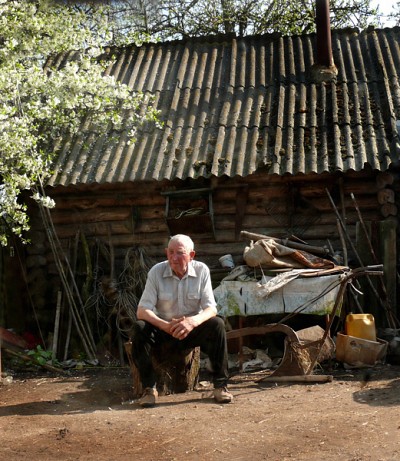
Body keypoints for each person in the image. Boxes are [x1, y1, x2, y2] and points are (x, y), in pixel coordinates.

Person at [131, 234, 233, 407]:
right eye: (170, 252)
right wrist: (165, 326)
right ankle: (149, 389)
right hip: (164, 330)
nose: (174, 258)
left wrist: (192, 322)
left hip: (191, 331)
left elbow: (211, 308)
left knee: (217, 325)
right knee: (139, 328)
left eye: (179, 253)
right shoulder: (156, 272)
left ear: (191, 255)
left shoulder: (201, 270)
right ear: (166, 252)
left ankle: (220, 386)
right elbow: (142, 311)